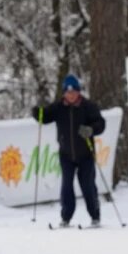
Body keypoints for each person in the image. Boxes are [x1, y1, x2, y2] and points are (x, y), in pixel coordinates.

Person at [32, 74, 106, 227]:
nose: (70, 95)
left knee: (87, 185)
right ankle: (66, 218)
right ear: (64, 93)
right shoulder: (59, 107)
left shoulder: (88, 106)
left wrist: (91, 129)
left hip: (85, 153)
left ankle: (95, 216)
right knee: (66, 186)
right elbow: (45, 117)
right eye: (67, 92)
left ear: (78, 92)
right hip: (66, 154)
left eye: (73, 92)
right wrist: (37, 112)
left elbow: (101, 123)